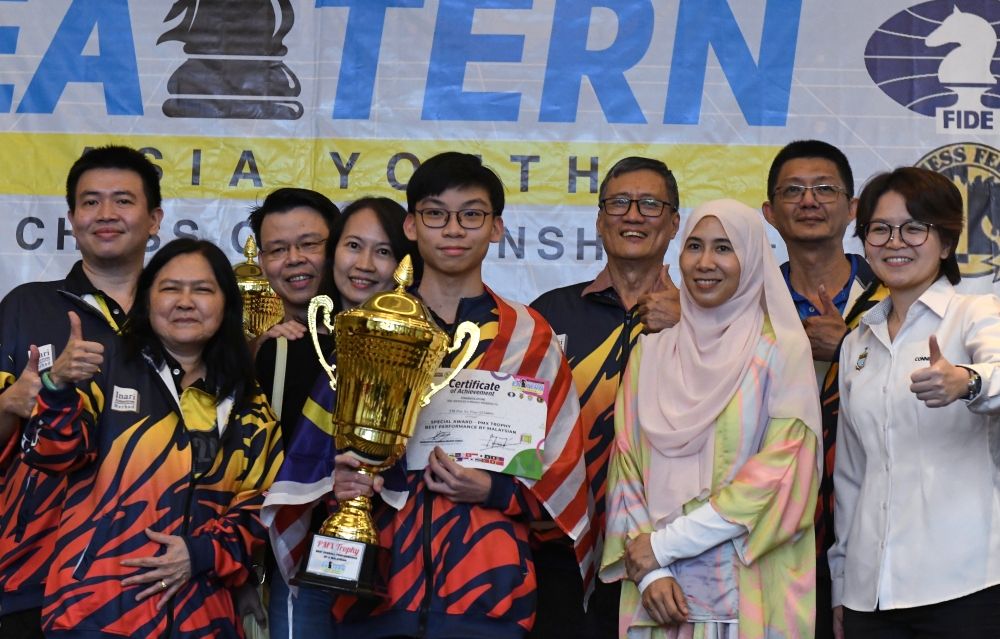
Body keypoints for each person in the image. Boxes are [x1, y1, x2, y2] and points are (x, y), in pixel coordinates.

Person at [262, 152, 593, 639]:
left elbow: (562, 478)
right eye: (436, 214)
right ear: (412, 227)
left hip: (489, 595)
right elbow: (309, 460)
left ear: (496, 228)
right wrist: (342, 480)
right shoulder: (372, 327)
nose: (454, 229)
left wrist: (494, 489)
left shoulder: (530, 337)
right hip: (375, 593)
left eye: (472, 215)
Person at [21, 238, 283, 638]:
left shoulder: (249, 402)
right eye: (170, 288)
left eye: (203, 289)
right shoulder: (105, 369)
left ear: (227, 305)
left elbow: (265, 505)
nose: (185, 301)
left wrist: (200, 553)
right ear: (146, 301)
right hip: (94, 610)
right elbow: (52, 455)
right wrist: (56, 386)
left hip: (202, 616)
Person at [601, 199, 822, 638]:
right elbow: (625, 468)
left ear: (753, 257)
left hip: (751, 594)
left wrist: (662, 547)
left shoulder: (780, 353)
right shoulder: (652, 352)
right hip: (659, 594)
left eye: (724, 248)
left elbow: (779, 477)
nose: (705, 262)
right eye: (694, 247)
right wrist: (648, 572)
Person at [0, 146, 163, 639]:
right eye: (91, 202)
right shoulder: (25, 306)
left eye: (123, 201)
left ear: (155, 219)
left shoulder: (182, 316)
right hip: (34, 575)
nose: (106, 215)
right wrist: (11, 403)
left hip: (149, 576)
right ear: (71, 218)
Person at [831, 167, 1000, 638]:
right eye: (879, 229)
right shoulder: (856, 341)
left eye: (913, 228)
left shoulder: (977, 313)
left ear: (945, 243)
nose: (894, 242)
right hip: (871, 592)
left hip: (967, 583)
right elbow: (851, 475)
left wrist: (966, 382)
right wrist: (843, 582)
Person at [251, 193, 418, 639]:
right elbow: (261, 465)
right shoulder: (288, 348)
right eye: (353, 246)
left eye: (383, 251)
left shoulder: (424, 351)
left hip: (403, 562)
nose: (364, 263)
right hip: (307, 561)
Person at [529, 156, 681, 639]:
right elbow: (519, 431)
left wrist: (694, 322)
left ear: (675, 223)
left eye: (650, 204)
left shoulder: (709, 319)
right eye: (618, 203)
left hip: (665, 546)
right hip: (561, 544)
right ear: (598, 220)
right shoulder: (547, 314)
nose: (632, 215)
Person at [760, 140, 886, 638]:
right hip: (773, 522)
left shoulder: (894, 295)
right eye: (793, 191)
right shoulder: (748, 301)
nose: (808, 201)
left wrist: (853, 349)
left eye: (825, 189)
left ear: (853, 209)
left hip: (872, 522)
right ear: (769, 213)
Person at [246, 187, 341, 638]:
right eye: (278, 249)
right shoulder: (262, 351)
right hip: (292, 562)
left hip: (391, 562)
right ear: (262, 262)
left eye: (309, 244)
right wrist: (253, 355)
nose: (295, 259)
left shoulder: (381, 338)